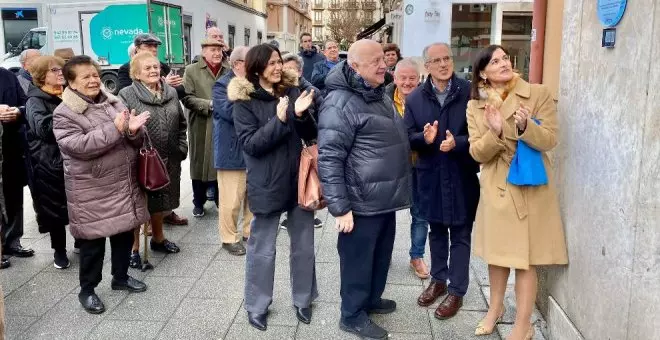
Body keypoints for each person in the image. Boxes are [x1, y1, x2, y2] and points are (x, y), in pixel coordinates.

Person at [466, 45, 567, 340]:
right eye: (494, 61)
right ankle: (494, 309)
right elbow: (477, 153)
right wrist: (494, 132)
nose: (503, 63)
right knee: (497, 256)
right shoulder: (475, 105)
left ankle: (524, 325)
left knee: (525, 258)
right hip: (497, 184)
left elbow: (550, 140)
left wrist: (525, 127)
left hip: (528, 186)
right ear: (482, 72)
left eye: (505, 58)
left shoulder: (537, 94)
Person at [317, 39, 411, 340]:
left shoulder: (377, 93)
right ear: (354, 66)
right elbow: (330, 158)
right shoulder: (339, 102)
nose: (384, 65)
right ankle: (352, 315)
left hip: (384, 197)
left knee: (380, 255)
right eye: (376, 62)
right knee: (357, 260)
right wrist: (340, 208)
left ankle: (371, 298)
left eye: (384, 59)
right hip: (359, 202)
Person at [229, 43, 318, 331]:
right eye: (271, 64)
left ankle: (304, 299)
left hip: (298, 180)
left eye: (279, 61)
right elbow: (251, 145)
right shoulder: (244, 102)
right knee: (262, 249)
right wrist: (280, 120)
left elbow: (310, 135)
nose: (278, 67)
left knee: (303, 244)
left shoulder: (292, 92)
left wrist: (302, 116)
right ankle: (257, 305)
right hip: (266, 182)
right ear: (256, 69)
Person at [53, 55, 151, 314]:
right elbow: (78, 146)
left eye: (95, 75)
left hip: (122, 183)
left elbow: (131, 138)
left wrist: (133, 130)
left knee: (123, 234)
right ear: (71, 83)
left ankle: (120, 277)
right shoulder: (64, 113)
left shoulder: (113, 101)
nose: (94, 80)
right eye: (85, 76)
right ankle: (87, 290)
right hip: (91, 190)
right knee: (92, 245)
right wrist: (117, 130)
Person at [403, 43, 480, 320]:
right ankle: (438, 280)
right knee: (436, 230)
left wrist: (457, 143)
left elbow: (481, 136)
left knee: (460, 233)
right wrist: (422, 139)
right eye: (436, 60)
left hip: (461, 175)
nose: (444, 64)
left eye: (447, 58)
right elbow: (406, 136)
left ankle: (457, 291)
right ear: (428, 66)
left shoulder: (469, 92)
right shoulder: (414, 100)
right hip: (430, 176)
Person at [118, 51, 188, 267]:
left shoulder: (171, 93)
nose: (153, 71)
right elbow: (122, 129)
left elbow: (182, 123)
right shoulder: (126, 94)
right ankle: (134, 249)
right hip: (141, 160)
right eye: (147, 68)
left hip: (169, 158)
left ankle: (158, 238)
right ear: (136, 73)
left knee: (161, 201)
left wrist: (181, 146)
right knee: (138, 205)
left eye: (156, 67)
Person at [24, 55, 71, 269]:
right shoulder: (35, 100)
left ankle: (81, 240)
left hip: (70, 160)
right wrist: (69, 110)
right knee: (54, 209)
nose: (60, 73)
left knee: (75, 204)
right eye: (54, 70)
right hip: (47, 163)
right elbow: (43, 129)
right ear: (42, 76)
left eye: (61, 69)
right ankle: (59, 251)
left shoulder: (67, 94)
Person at [384, 58, 429, 279]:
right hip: (390, 167)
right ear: (395, 77)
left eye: (412, 78)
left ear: (419, 78)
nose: (408, 83)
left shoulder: (426, 100)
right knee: (385, 214)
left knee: (420, 214)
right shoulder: (382, 99)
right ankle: (383, 255)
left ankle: (417, 256)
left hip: (419, 164)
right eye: (403, 78)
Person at [211, 46, 252, 256]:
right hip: (231, 151)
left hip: (252, 150)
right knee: (231, 200)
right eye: (251, 61)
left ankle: (248, 232)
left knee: (251, 197)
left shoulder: (254, 81)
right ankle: (228, 238)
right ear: (237, 64)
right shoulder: (222, 85)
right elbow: (229, 112)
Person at [182, 39, 227, 217]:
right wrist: (209, 104)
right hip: (200, 124)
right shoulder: (191, 70)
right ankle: (198, 201)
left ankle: (219, 199)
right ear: (204, 52)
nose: (217, 53)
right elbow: (186, 97)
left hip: (223, 123)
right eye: (213, 50)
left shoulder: (228, 70)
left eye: (220, 50)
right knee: (199, 163)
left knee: (219, 163)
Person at [279, 53, 324, 230]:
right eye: (284, 70)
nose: (287, 73)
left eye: (291, 70)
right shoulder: (281, 89)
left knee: (308, 178)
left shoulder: (310, 91)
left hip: (306, 144)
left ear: (300, 71)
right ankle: (289, 212)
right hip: (287, 144)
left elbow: (318, 120)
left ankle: (309, 209)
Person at [0, 67, 34, 269]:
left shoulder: (7, 75)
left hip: (11, 147)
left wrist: (17, 112)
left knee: (13, 195)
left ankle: (13, 241)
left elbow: (26, 103)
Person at [116, 34, 185, 98]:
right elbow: (126, 95)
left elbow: (181, 93)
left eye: (155, 46)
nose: (154, 49)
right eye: (148, 45)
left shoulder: (163, 67)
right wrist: (163, 85)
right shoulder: (126, 68)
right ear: (137, 49)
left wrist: (170, 86)